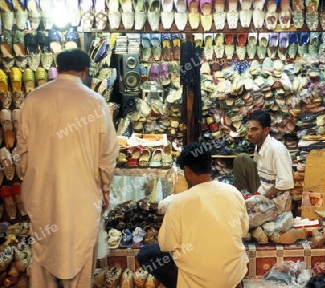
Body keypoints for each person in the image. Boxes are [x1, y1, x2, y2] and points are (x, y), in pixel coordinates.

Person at [15, 48, 119, 287]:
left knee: (43, 253)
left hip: (42, 194)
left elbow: (22, 150)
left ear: (57, 68)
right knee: (81, 252)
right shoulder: (95, 102)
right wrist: (104, 188)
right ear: (85, 72)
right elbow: (108, 153)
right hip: (82, 195)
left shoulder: (34, 99)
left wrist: (29, 179)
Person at [137, 142, 249, 288]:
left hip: (198, 280)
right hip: (232, 275)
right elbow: (244, 230)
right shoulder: (233, 192)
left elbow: (166, 244)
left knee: (146, 254)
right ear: (211, 165)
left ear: (188, 171)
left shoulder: (179, 202)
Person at [234, 110, 294, 205]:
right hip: (262, 187)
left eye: (254, 129)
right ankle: (244, 197)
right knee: (241, 159)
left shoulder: (276, 149)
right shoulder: (259, 144)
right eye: (248, 129)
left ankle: (250, 202)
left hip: (274, 198)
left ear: (266, 130)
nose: (249, 133)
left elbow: (286, 184)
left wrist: (261, 199)